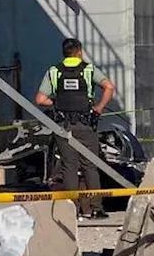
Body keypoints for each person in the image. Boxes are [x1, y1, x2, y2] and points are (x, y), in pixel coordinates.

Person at [35, 38, 115, 220]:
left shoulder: (54, 71)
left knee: (69, 167)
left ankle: (73, 210)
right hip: (86, 125)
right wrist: (99, 107)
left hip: (64, 127)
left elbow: (40, 100)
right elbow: (109, 87)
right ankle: (96, 208)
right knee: (90, 167)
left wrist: (57, 102)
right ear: (79, 51)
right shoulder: (89, 69)